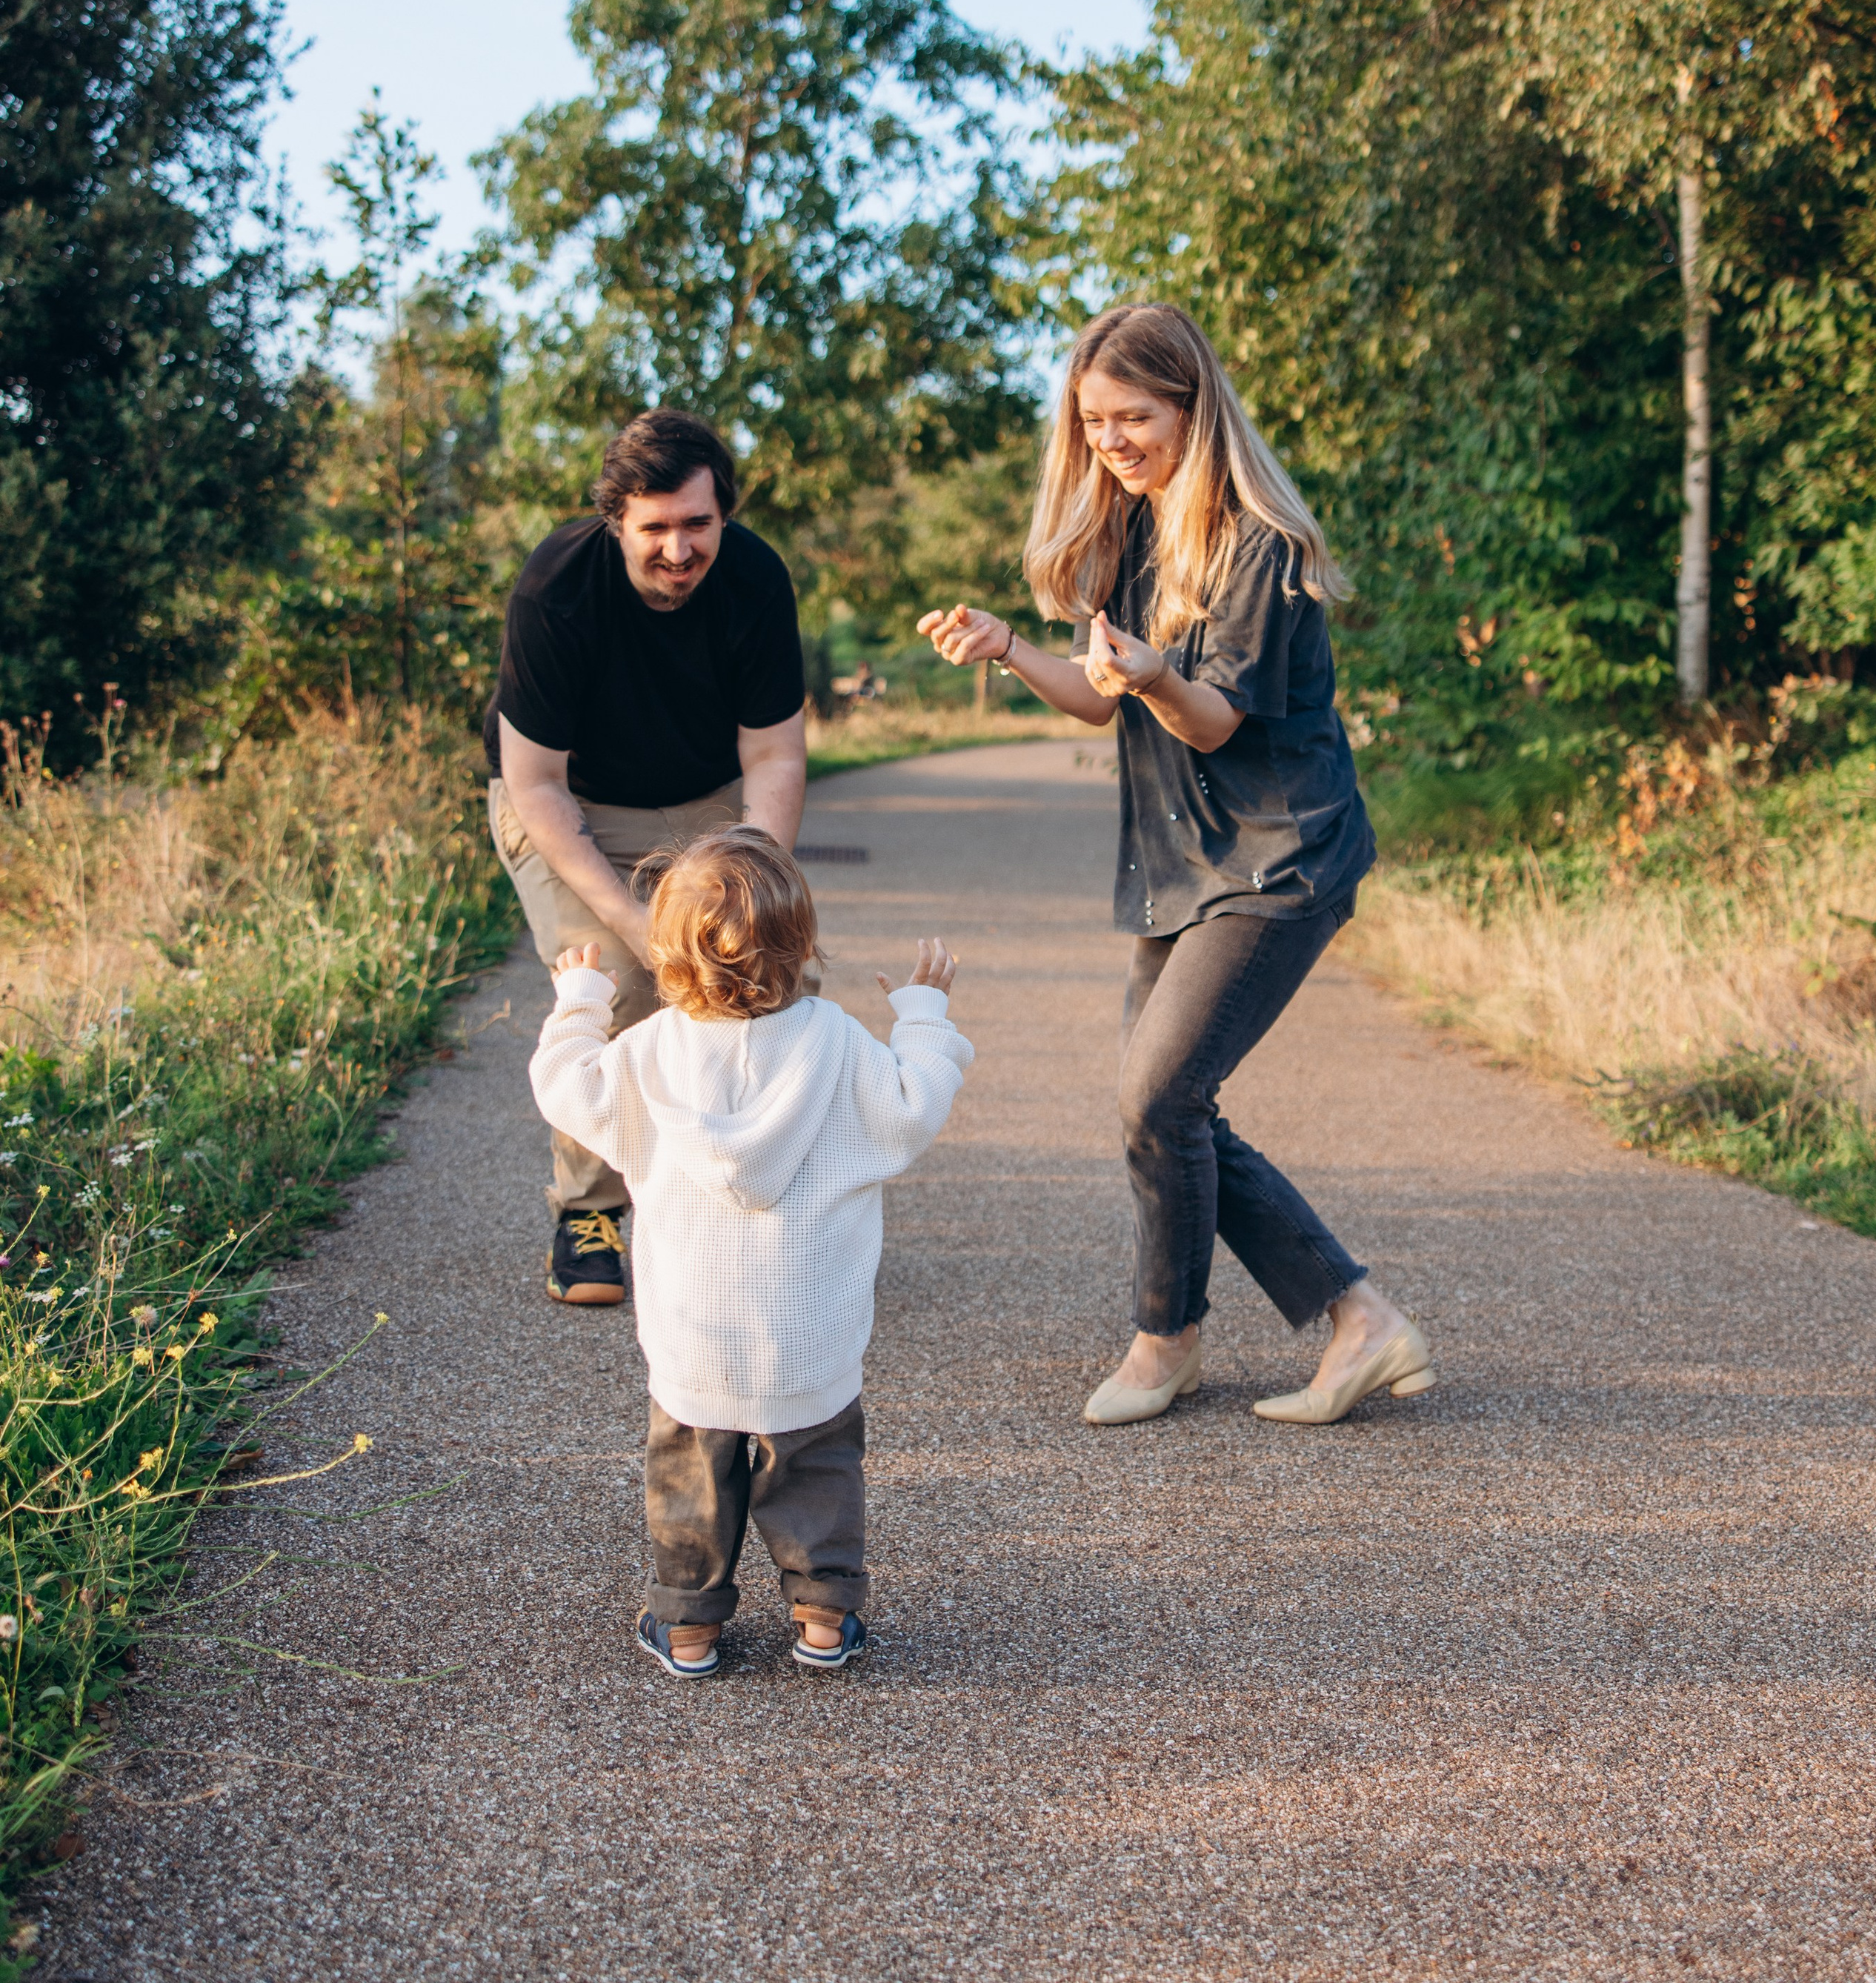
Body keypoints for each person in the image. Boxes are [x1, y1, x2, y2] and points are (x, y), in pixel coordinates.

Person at [918, 302, 1435, 1429]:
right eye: (1092, 420)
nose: (1108, 439)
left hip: (1279, 853)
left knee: (1160, 1093)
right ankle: (1341, 1319)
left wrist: (1152, 673)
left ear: (1193, 409)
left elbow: (1203, 719)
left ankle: (1172, 1339)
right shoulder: (1132, 531)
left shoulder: (1259, 544)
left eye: (1132, 416)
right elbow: (1104, 700)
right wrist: (1011, 648)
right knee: (1160, 1105)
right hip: (1186, 860)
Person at [529, 828, 969, 1677]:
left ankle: (689, 1627)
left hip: (696, 1340)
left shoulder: (650, 1051)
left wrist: (580, 1000)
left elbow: (567, 1088)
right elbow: (912, 1108)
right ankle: (823, 1622)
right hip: (808, 1338)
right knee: (819, 1474)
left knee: (690, 1485)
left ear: (664, 955)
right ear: (801, 944)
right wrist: (922, 1015)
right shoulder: (838, 1042)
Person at [484, 407, 808, 1306]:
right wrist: (638, 920)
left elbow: (775, 757)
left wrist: (752, 893)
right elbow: (536, 786)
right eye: (654, 528)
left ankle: (755, 1202)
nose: (677, 549)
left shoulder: (754, 580)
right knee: (624, 980)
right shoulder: (557, 587)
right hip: (570, 798)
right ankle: (589, 1212)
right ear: (615, 520)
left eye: (697, 525)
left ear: (723, 516)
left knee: (764, 975)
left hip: (704, 799)